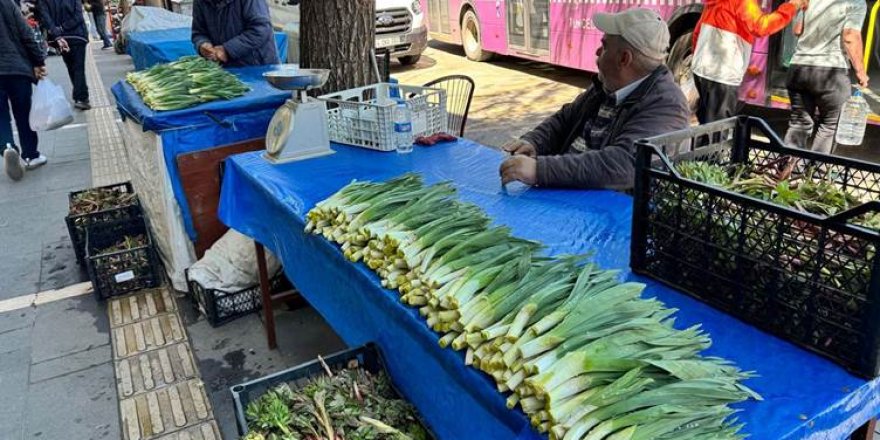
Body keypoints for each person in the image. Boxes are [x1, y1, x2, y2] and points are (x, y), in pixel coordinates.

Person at [499, 8, 689, 190]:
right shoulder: (607, 85)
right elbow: (564, 119)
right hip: (566, 190)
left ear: (624, 59)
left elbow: (623, 163)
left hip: (601, 209)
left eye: (604, 46)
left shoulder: (667, 105)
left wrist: (541, 170)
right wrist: (534, 142)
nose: (597, 52)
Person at [692, 0, 808, 124]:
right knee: (717, 130)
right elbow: (761, 27)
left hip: (701, 69)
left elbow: (697, 33)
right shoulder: (744, 2)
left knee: (705, 125)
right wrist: (791, 7)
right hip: (722, 75)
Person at [783, 0, 868, 153]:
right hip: (831, 72)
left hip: (799, 66)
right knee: (830, 125)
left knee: (799, 123)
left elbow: (797, 30)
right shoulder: (855, 2)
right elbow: (850, 37)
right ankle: (817, 173)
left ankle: (787, 170)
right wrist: (861, 71)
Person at [1, 0, 49, 181]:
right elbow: (26, 33)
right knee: (23, 114)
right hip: (17, 68)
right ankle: (31, 156)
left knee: (0, 117)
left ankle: (7, 147)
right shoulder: (7, 3)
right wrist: (38, 61)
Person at [191, 0, 279, 67]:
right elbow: (198, 32)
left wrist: (227, 50)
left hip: (258, 67)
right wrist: (203, 44)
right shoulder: (200, 2)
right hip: (226, 70)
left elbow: (261, 29)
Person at [38, 0, 90, 110]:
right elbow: (79, 16)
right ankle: (81, 98)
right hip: (77, 35)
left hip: (60, 38)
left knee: (71, 67)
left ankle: (79, 96)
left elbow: (45, 17)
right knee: (78, 68)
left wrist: (57, 32)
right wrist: (63, 28)